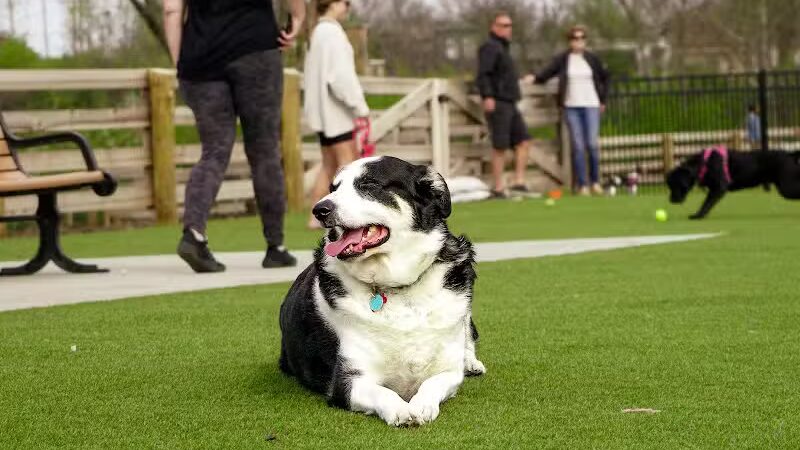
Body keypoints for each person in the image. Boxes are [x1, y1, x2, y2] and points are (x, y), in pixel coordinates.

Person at [163, 0, 305, 273]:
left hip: (200, 60)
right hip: (255, 49)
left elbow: (171, 10)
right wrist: (297, 16)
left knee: (214, 150)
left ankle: (194, 234)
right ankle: (276, 247)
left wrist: (180, 62)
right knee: (264, 150)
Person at [304, 0, 370, 229]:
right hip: (336, 111)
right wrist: (359, 106)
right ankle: (347, 213)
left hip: (323, 113)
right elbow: (340, 78)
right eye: (345, 3)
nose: (348, 7)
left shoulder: (318, 33)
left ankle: (314, 216)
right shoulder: (332, 34)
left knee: (328, 164)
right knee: (347, 164)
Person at [527, 25, 610, 196]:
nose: (578, 42)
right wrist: (534, 78)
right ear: (569, 41)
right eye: (574, 38)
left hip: (591, 105)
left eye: (581, 38)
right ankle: (582, 184)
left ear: (585, 41)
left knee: (592, 144)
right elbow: (548, 72)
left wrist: (603, 100)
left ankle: (595, 181)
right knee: (578, 146)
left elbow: (605, 78)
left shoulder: (592, 59)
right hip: (572, 106)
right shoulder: (563, 59)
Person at [476, 11, 531, 199]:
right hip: (498, 102)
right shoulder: (490, 47)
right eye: (504, 25)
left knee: (523, 141)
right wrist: (487, 96)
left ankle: (519, 182)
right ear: (494, 27)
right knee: (500, 146)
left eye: (510, 25)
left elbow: (504, 73)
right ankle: (498, 188)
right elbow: (483, 74)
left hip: (511, 101)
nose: (508, 29)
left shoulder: (504, 48)